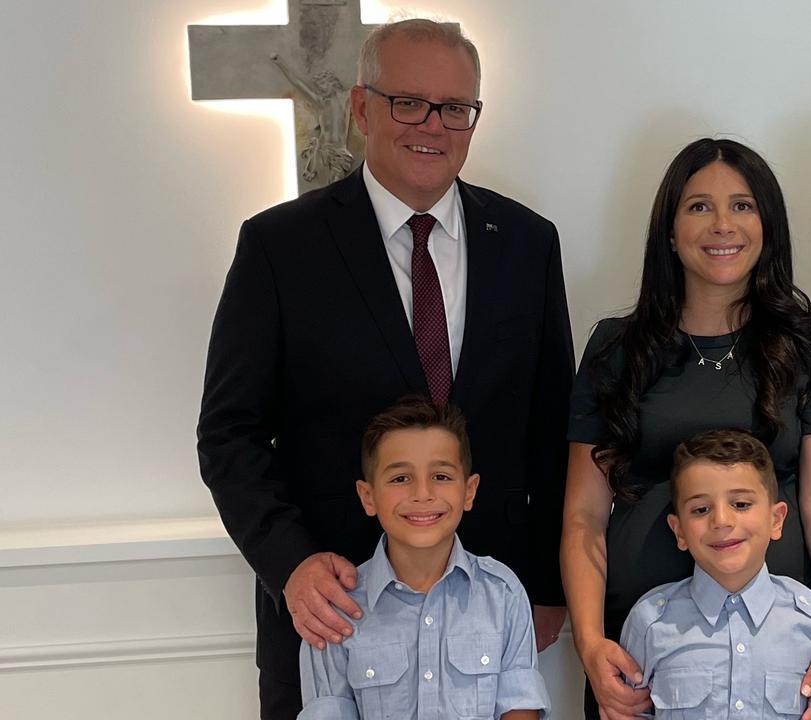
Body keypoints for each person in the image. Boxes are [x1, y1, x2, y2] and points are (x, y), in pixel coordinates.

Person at [196, 19, 573, 720]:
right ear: (362, 109)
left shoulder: (527, 243)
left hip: (485, 626)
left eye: (455, 108)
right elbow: (230, 434)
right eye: (408, 102)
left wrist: (548, 584)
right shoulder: (280, 247)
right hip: (331, 616)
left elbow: (551, 427)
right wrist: (290, 564)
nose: (432, 124)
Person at [562, 137, 811, 720]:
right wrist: (590, 641)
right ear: (670, 230)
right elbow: (583, 515)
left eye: (743, 206)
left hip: (778, 655)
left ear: (768, 226)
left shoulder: (809, 342)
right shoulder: (615, 347)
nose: (722, 224)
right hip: (638, 657)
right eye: (699, 206)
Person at [298, 398, 550, 719]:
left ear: (469, 491)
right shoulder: (337, 609)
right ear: (368, 496)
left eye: (441, 476)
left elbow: (519, 707)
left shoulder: (502, 593)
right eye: (400, 478)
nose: (422, 493)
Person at [621, 429, 811, 719]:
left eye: (741, 504)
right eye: (701, 509)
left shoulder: (810, 618)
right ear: (679, 531)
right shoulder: (649, 622)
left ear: (776, 520)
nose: (721, 520)